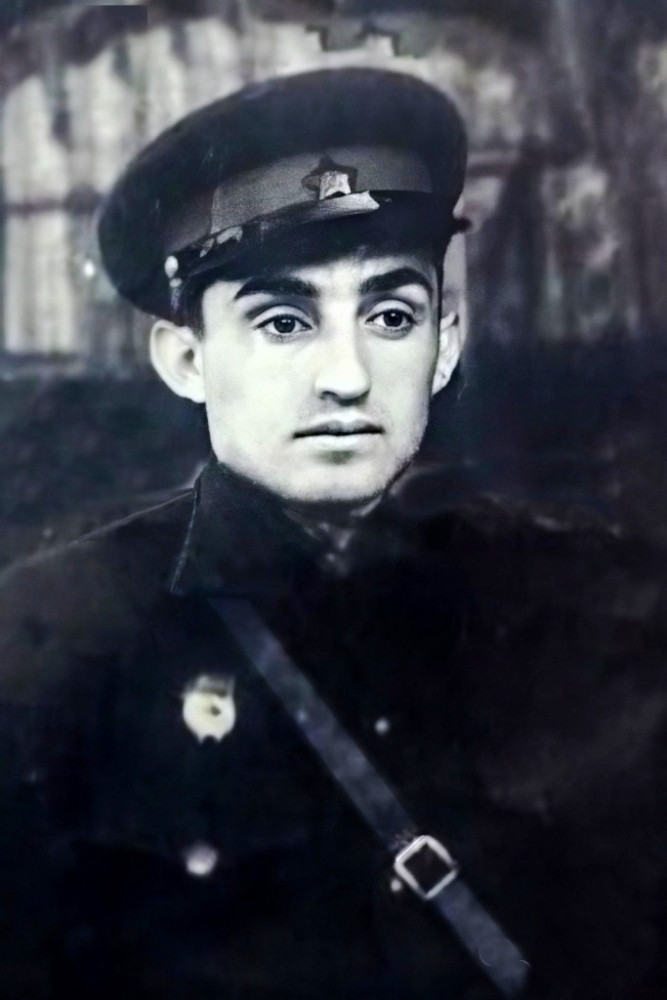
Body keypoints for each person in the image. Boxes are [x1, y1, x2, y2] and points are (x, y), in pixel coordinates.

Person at [0, 66, 665, 1000]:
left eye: (391, 316)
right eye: (283, 322)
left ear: (443, 347)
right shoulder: (52, 642)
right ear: (186, 358)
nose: (347, 376)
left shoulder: (595, 606)